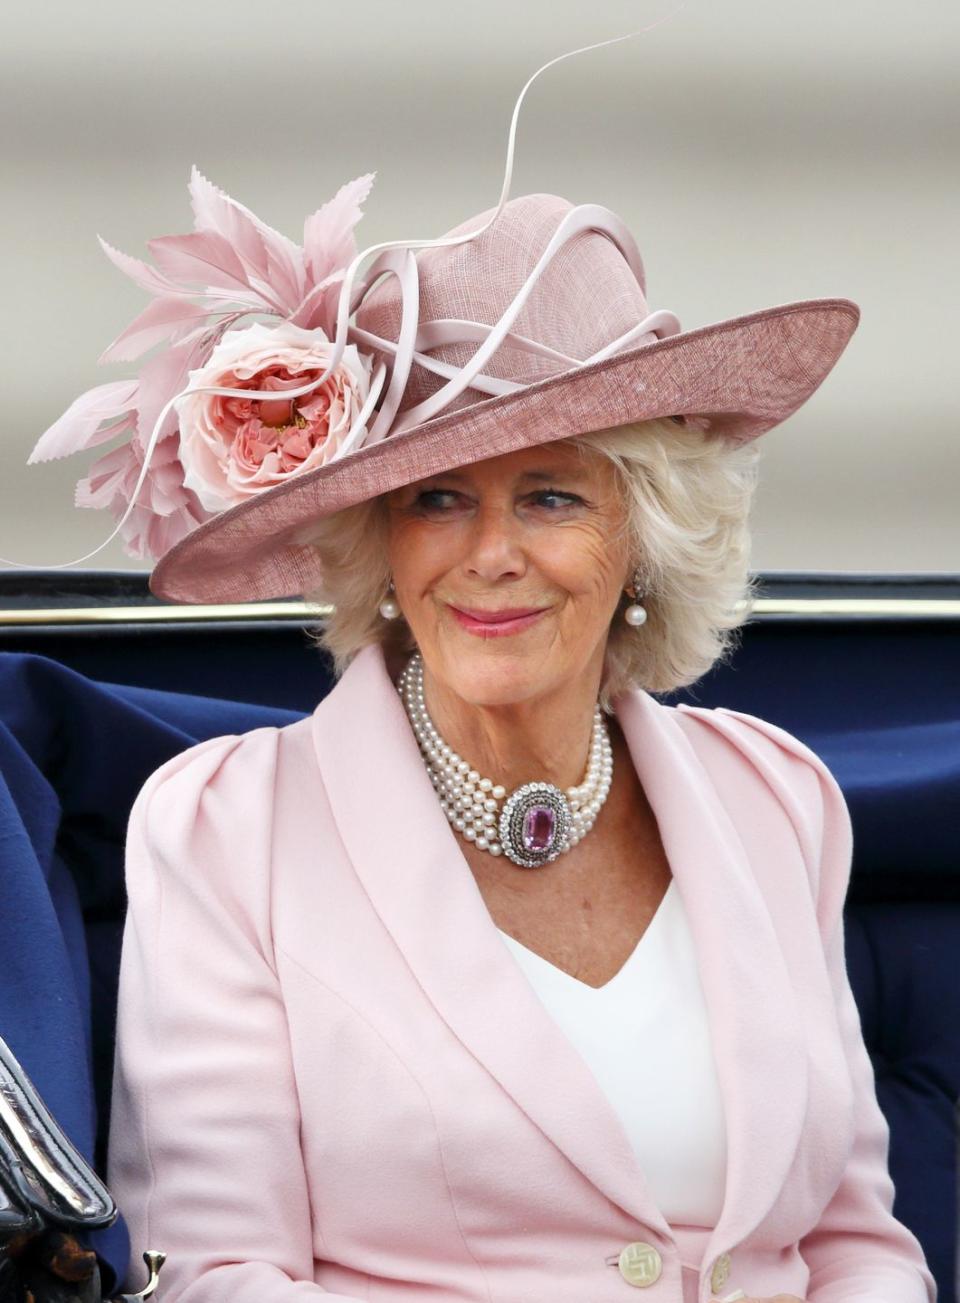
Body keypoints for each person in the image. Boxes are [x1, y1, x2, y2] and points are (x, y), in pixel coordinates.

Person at [16, 35, 937, 1303]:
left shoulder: (776, 797)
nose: (491, 554)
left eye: (552, 496)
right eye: (438, 498)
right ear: (382, 547)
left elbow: (855, 1244)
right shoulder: (230, 830)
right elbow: (218, 1275)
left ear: (643, 541)